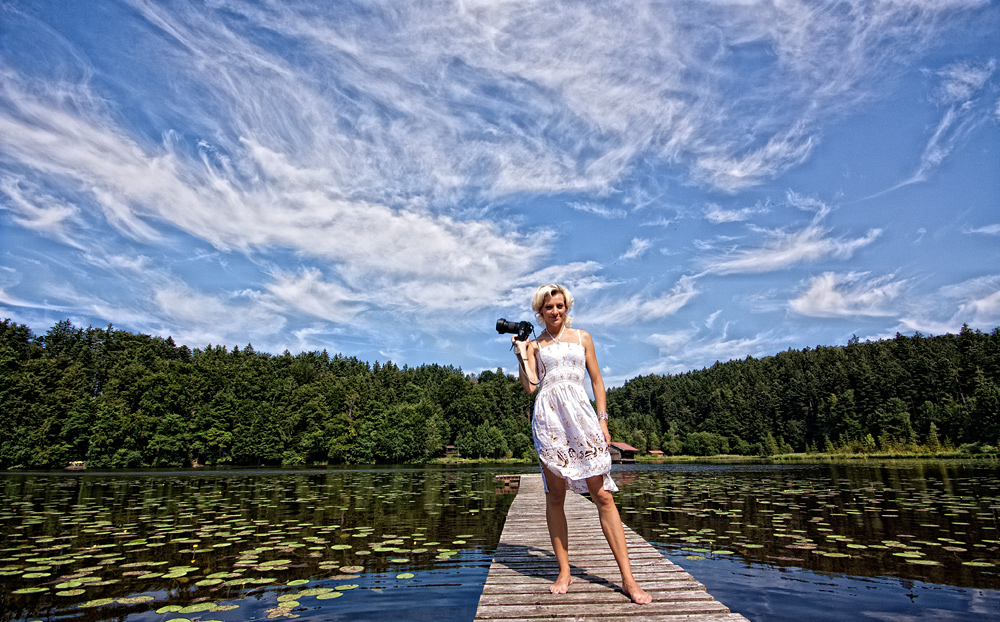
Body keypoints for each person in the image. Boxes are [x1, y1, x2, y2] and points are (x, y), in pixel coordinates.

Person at [511, 283, 652, 605]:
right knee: (555, 494)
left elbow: (598, 380)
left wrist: (602, 420)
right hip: (549, 418)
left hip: (582, 414)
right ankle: (564, 571)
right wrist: (522, 355)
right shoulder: (533, 345)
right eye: (549, 308)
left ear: (566, 308)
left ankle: (629, 580)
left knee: (602, 494)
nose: (555, 312)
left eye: (560, 306)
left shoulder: (583, 337)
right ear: (539, 312)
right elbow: (530, 387)